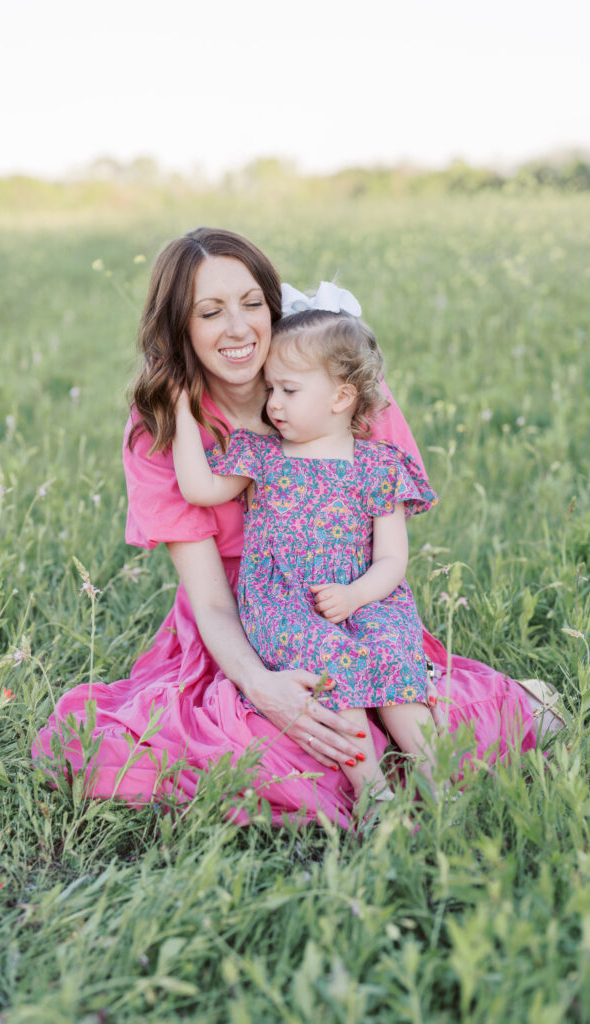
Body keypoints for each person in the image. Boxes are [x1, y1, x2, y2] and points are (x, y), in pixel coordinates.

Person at [32, 227, 562, 829]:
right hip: (248, 618)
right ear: (180, 329)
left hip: (347, 606)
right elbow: (209, 598)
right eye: (210, 312)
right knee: (277, 748)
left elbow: (384, 544)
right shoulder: (165, 426)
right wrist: (261, 685)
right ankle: (372, 785)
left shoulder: (340, 385)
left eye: (252, 303)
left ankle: (508, 712)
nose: (238, 328)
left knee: (406, 712)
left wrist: (358, 601)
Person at [172, 297, 441, 811]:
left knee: (396, 659)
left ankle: (439, 781)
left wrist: (357, 594)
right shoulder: (262, 453)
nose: (273, 403)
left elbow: (392, 560)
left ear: (342, 397)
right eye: (270, 389)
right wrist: (182, 410)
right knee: (328, 660)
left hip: (364, 598)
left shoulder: (380, 465)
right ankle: (372, 790)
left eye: (288, 390)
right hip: (284, 601)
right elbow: (200, 488)